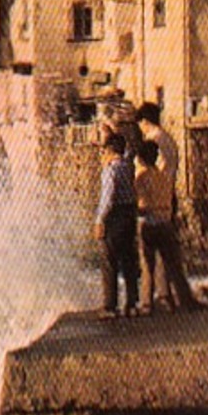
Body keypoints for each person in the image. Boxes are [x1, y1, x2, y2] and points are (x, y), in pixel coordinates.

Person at [134, 140, 200, 312]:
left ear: (140, 158)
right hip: (165, 222)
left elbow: (140, 202)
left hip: (148, 223)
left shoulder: (140, 178)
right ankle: (183, 300)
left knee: (148, 266)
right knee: (173, 265)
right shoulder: (164, 177)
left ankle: (147, 303)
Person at [93, 132, 139, 317]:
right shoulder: (129, 166)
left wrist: (100, 220)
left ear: (109, 151)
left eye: (103, 150)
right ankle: (132, 303)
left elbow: (108, 197)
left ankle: (110, 306)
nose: (102, 155)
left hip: (115, 217)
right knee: (128, 260)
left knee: (109, 261)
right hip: (129, 213)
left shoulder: (111, 169)